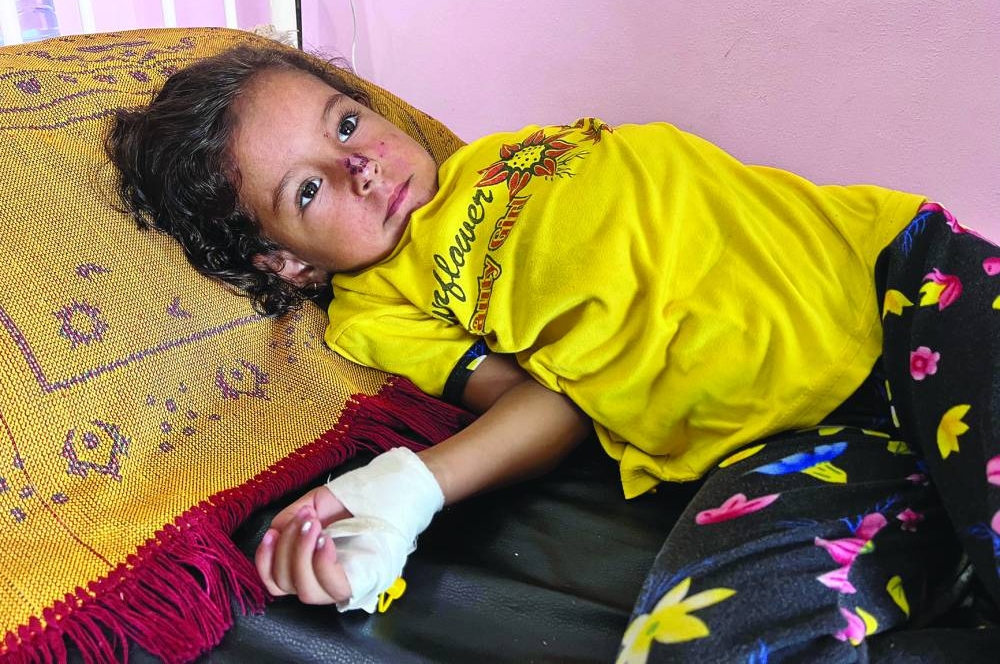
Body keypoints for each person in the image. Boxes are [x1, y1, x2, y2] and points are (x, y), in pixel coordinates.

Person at [108, 43, 1000, 663]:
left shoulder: (499, 157)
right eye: (307, 188)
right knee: (699, 643)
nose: (361, 168)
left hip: (898, 291)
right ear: (284, 263)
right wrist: (398, 495)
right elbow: (549, 404)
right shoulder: (376, 305)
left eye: (344, 126)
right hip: (785, 448)